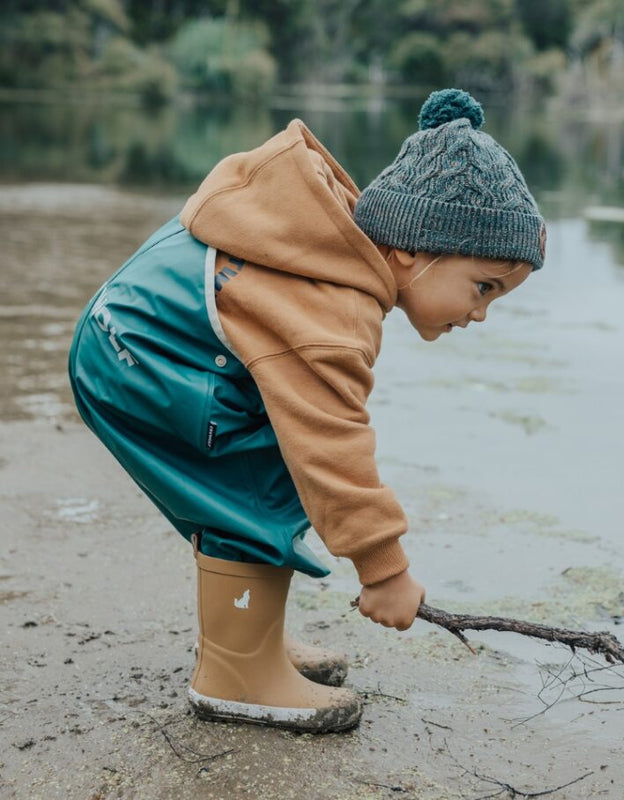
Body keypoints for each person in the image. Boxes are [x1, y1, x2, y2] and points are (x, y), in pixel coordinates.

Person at [68, 88, 546, 734]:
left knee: (266, 466)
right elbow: (332, 448)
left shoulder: (321, 246)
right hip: (143, 360)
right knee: (255, 484)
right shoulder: (330, 312)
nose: (481, 313)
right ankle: (236, 673)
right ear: (415, 248)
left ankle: (249, 639)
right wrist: (385, 570)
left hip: (131, 343)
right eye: (483, 286)